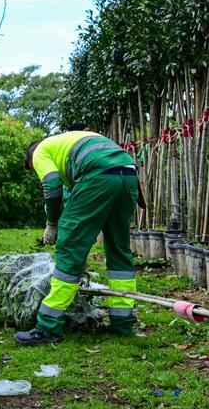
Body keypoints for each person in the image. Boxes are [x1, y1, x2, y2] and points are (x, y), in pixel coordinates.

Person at [15, 130, 140, 345]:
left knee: (69, 250)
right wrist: (83, 229)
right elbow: (69, 193)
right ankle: (122, 323)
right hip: (128, 175)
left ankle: (48, 326)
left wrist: (52, 224)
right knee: (119, 251)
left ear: (31, 160)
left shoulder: (40, 152)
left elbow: (52, 187)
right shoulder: (66, 143)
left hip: (97, 177)